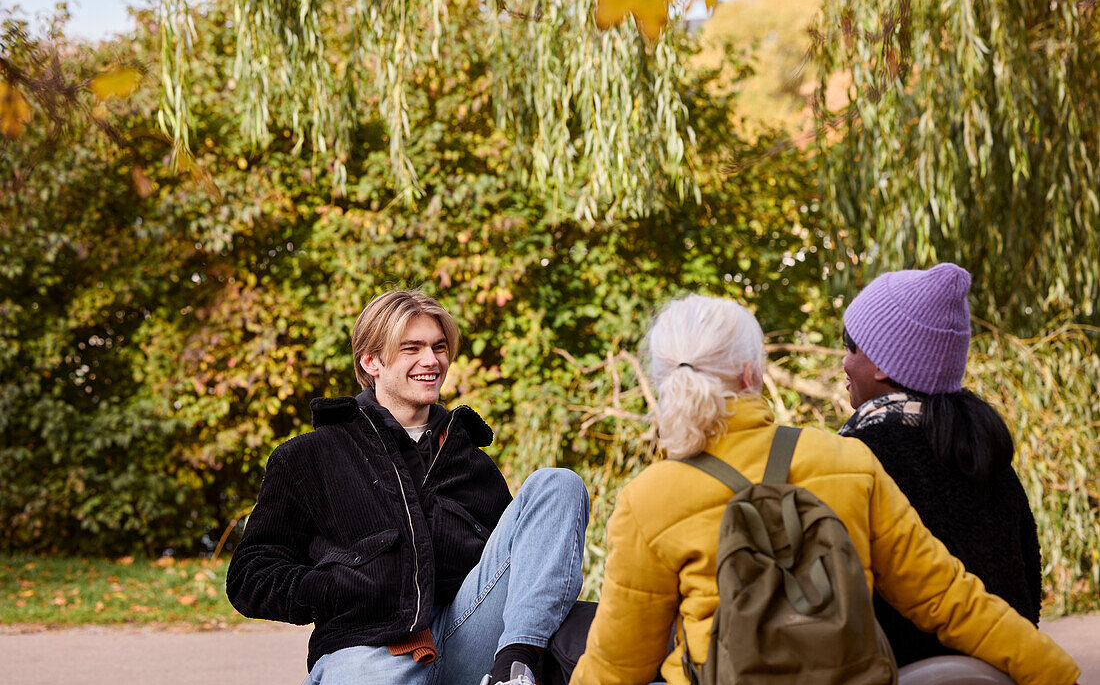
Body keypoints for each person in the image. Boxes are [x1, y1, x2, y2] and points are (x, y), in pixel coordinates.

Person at [569, 294, 1079, 685]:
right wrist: (1060, 673)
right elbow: (950, 599)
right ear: (753, 374)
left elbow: (618, 665)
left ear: (664, 383)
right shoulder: (846, 459)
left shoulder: (649, 497)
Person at [226, 290, 590, 685]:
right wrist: (339, 588)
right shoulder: (309, 457)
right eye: (411, 348)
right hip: (369, 650)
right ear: (371, 361)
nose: (431, 360)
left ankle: (515, 671)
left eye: (439, 347)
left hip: (466, 639)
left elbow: (507, 568)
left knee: (557, 483)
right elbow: (250, 576)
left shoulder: (468, 459)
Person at [839, 263, 1043, 666]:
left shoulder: (856, 460)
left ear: (883, 364)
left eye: (851, 347)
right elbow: (1028, 585)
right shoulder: (989, 457)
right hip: (1005, 670)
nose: (843, 362)